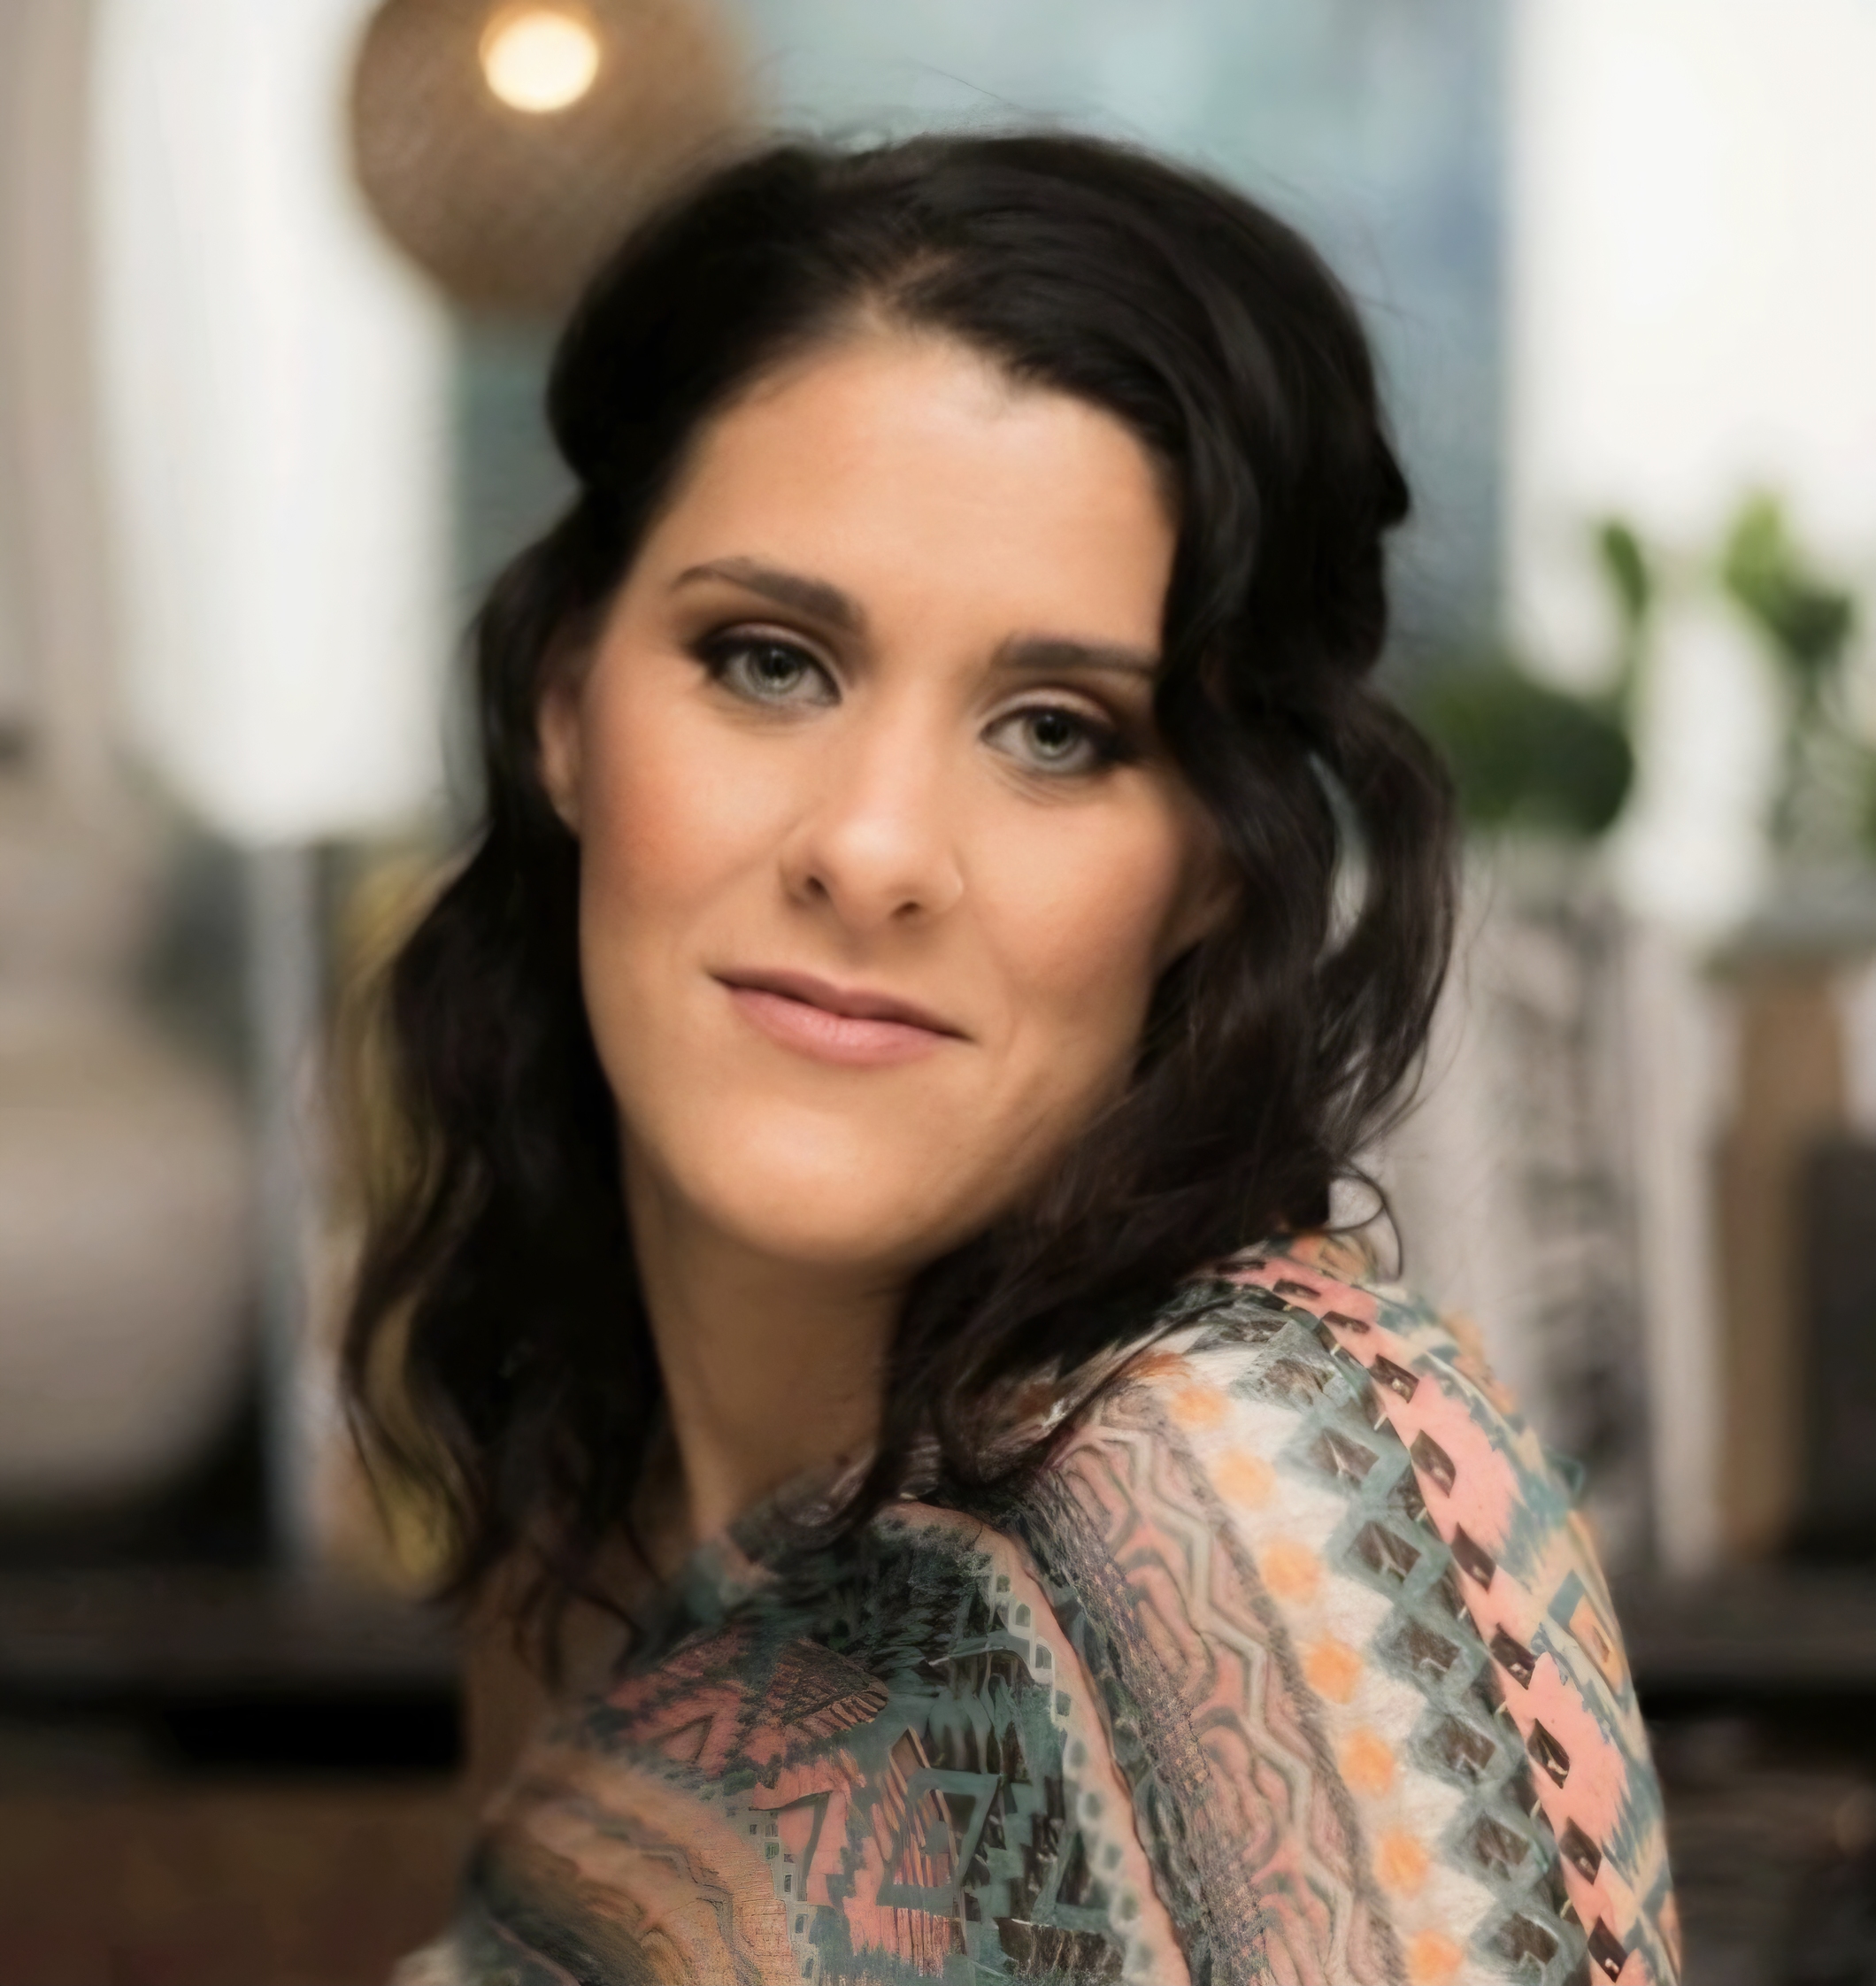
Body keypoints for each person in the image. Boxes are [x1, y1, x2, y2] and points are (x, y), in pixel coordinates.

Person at [347, 131, 1680, 1986]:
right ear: (568, 705)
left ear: (1213, 867)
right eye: (769, 661)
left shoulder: (1255, 1501)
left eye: (1057, 731)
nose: (873, 848)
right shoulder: (602, 1535)